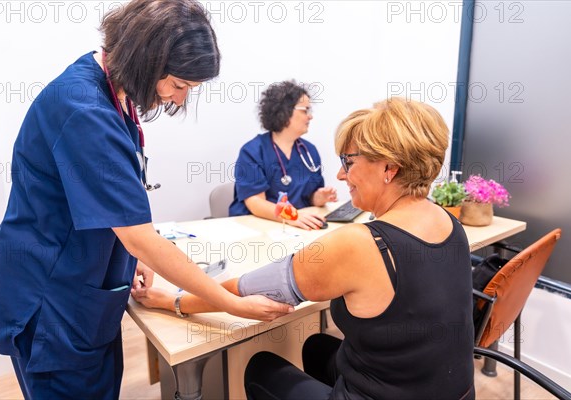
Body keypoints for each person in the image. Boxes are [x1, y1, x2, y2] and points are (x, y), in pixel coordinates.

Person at [0, 1, 291, 398]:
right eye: (179, 85)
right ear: (148, 59)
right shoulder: (84, 111)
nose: (178, 101)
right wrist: (227, 303)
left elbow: (108, 208)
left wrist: (134, 259)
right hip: (53, 303)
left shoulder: (109, 90)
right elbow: (138, 234)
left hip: (84, 292)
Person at [133, 97, 476, 399]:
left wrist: (173, 301)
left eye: (349, 162)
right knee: (315, 345)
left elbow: (243, 288)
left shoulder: (360, 243)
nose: (342, 176)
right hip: (451, 391)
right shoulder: (450, 223)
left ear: (389, 168)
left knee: (261, 368)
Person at [229, 80, 338, 230]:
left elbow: (310, 197)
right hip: (258, 228)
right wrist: (291, 216)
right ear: (284, 111)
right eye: (305, 110)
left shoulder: (309, 152)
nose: (310, 116)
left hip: (296, 227)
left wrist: (321, 197)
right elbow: (255, 202)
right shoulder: (253, 151)